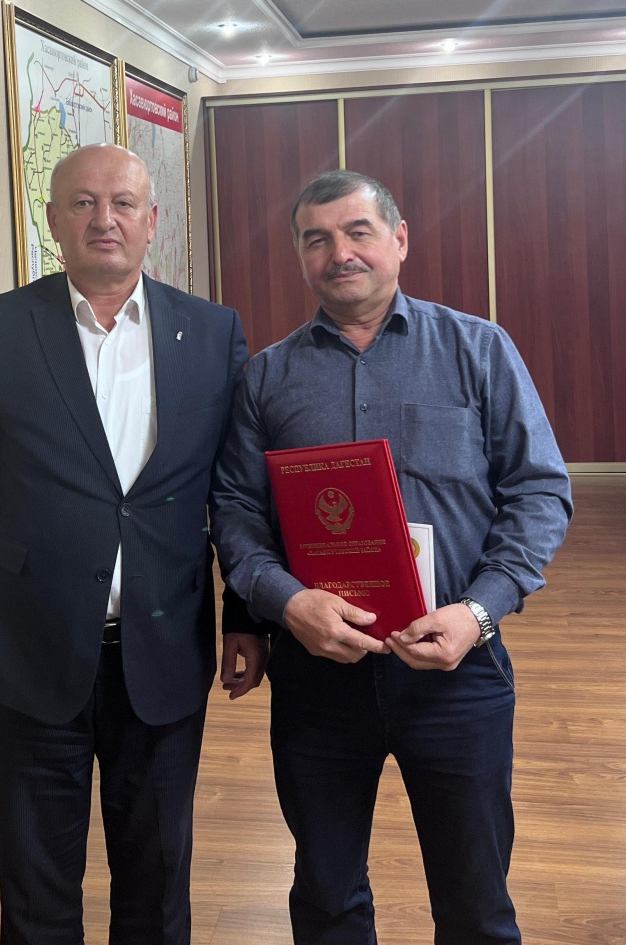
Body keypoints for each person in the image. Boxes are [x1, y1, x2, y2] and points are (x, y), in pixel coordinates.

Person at [210, 170, 572, 945]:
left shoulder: (478, 350)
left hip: (458, 670)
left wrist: (479, 611)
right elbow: (236, 511)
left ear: (399, 240)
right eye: (317, 239)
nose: (339, 252)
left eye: (358, 232)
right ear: (301, 256)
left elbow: (540, 491)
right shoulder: (266, 376)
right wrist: (284, 601)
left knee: (476, 904)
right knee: (326, 897)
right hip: (317, 676)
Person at [0, 143, 267, 945]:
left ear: (152, 220)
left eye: (121, 203)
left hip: (164, 650)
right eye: (82, 202)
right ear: (53, 219)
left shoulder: (211, 332)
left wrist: (246, 619)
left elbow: (235, 493)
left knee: (157, 881)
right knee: (36, 887)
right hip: (29, 649)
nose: (103, 219)